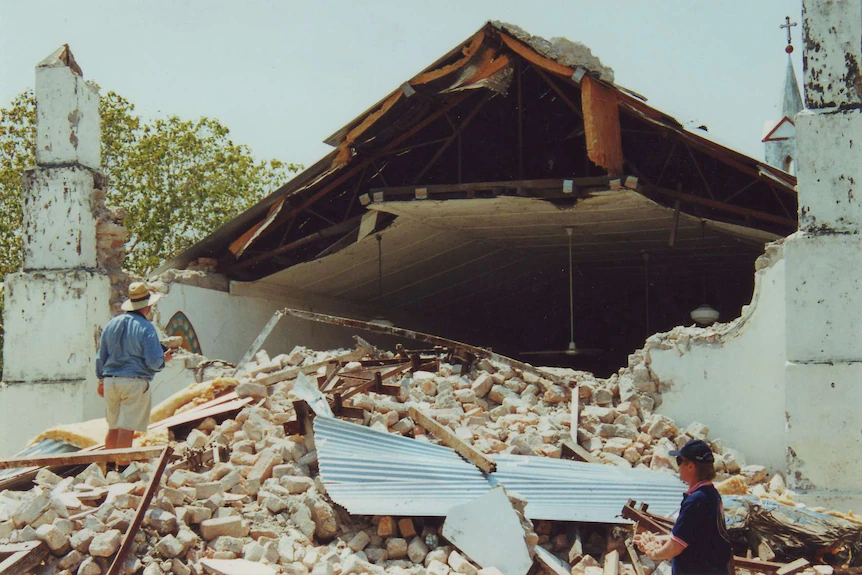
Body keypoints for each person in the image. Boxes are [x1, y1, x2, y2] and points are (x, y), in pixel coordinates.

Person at [634, 439, 732, 575]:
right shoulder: (711, 494)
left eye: (680, 461)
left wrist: (653, 553)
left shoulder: (697, 500)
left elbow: (676, 546)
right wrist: (658, 540)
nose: (678, 466)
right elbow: (688, 537)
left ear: (691, 466)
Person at [96, 282, 172, 449]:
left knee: (113, 427)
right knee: (127, 428)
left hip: (110, 381)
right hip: (133, 381)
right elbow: (153, 361)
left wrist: (101, 380)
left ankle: (109, 469)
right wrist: (163, 360)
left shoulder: (112, 324)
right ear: (147, 306)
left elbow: (101, 355)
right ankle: (122, 470)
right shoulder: (146, 327)